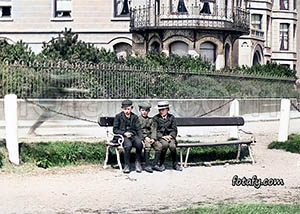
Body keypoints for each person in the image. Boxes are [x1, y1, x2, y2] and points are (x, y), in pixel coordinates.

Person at [113, 100, 143, 173]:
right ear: (122, 109)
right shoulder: (118, 116)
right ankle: (127, 165)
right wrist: (124, 133)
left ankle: (137, 163)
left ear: (131, 108)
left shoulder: (134, 117)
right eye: (125, 109)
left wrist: (141, 138)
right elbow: (115, 130)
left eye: (128, 109)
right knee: (128, 145)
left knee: (139, 144)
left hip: (132, 135)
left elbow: (138, 129)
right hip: (122, 137)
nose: (127, 111)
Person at [151, 101, 183, 171]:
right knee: (164, 145)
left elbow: (174, 129)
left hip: (170, 137)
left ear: (167, 109)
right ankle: (161, 163)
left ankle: (175, 164)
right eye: (159, 110)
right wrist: (162, 137)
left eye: (163, 110)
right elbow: (155, 130)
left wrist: (171, 136)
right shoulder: (155, 118)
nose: (161, 111)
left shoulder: (171, 117)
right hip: (161, 137)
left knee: (172, 146)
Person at [138, 103, 162, 173]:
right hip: (142, 137)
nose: (144, 112)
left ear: (148, 111)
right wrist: (145, 137)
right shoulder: (137, 119)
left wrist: (153, 138)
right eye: (142, 110)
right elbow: (138, 130)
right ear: (140, 110)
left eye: (146, 110)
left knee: (159, 146)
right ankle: (147, 165)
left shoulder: (151, 120)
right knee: (147, 146)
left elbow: (154, 129)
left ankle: (154, 164)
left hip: (150, 137)